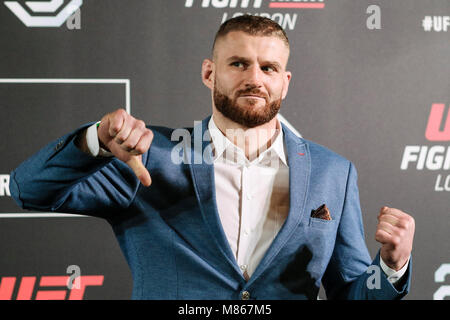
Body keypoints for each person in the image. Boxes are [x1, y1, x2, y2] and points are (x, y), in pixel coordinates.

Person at [10, 15, 414, 300]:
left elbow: (355, 295)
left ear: (284, 83)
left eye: (268, 68)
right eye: (238, 64)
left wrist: (391, 267)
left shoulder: (333, 173)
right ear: (209, 73)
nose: (254, 78)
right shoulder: (148, 155)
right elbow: (29, 190)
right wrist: (94, 140)